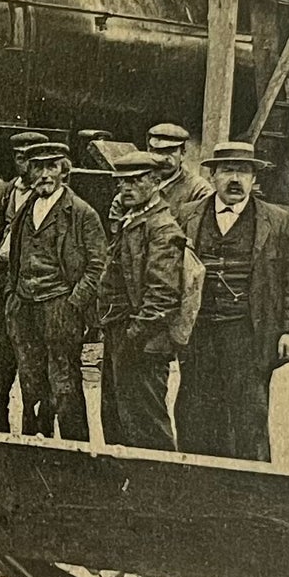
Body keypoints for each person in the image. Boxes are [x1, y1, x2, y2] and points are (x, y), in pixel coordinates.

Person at [174, 141, 289, 462]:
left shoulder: (278, 221)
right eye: (227, 170)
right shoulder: (187, 215)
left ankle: (252, 483)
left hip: (248, 333)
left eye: (243, 171)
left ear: (254, 178)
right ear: (212, 176)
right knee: (195, 412)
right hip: (200, 333)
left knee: (249, 416)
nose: (235, 179)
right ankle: (198, 480)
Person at [0, 141, 107, 442]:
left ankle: (75, 451)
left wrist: (74, 303)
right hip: (25, 305)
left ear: (64, 171)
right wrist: (12, 296)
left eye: (52, 166)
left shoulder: (81, 212)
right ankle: (36, 446)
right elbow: (13, 256)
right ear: (28, 171)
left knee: (64, 383)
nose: (45, 174)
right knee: (30, 381)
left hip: (60, 306)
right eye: (37, 167)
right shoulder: (25, 209)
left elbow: (98, 265)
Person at [98, 150, 186, 451]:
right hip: (121, 332)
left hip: (143, 340)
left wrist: (134, 336)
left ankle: (160, 480)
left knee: (146, 423)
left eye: (136, 181)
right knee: (117, 418)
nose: (127, 188)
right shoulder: (131, 219)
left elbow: (163, 294)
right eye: (123, 182)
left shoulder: (161, 227)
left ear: (156, 182)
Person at [0, 130, 47, 431]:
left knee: (34, 371)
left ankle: (34, 437)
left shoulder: (49, 197)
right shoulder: (9, 191)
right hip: (4, 285)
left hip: (34, 289)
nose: (27, 166)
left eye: (34, 160)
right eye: (21, 158)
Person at [146, 122, 215, 213]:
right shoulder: (138, 182)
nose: (164, 158)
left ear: (182, 154)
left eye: (170, 151)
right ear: (149, 152)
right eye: (158, 151)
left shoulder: (198, 189)